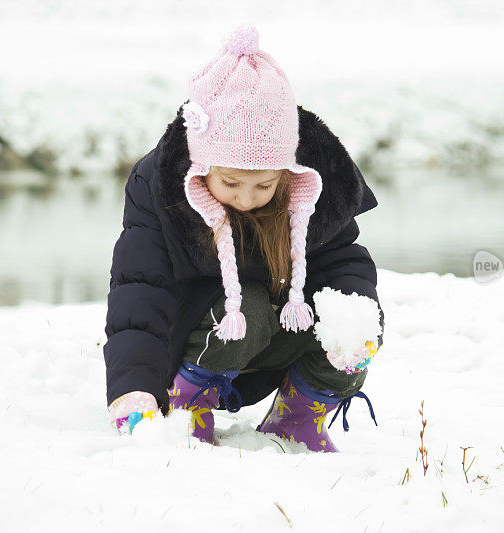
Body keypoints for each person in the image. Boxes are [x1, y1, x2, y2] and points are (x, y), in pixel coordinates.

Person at [103, 24, 385, 452]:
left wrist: (355, 320)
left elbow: (343, 262)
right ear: (202, 165)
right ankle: (187, 407)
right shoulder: (160, 188)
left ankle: (297, 420)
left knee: (352, 321)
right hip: (194, 338)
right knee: (247, 308)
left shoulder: (314, 191)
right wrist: (134, 386)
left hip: (275, 334)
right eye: (231, 183)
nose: (247, 200)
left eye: (265, 186)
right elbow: (140, 291)